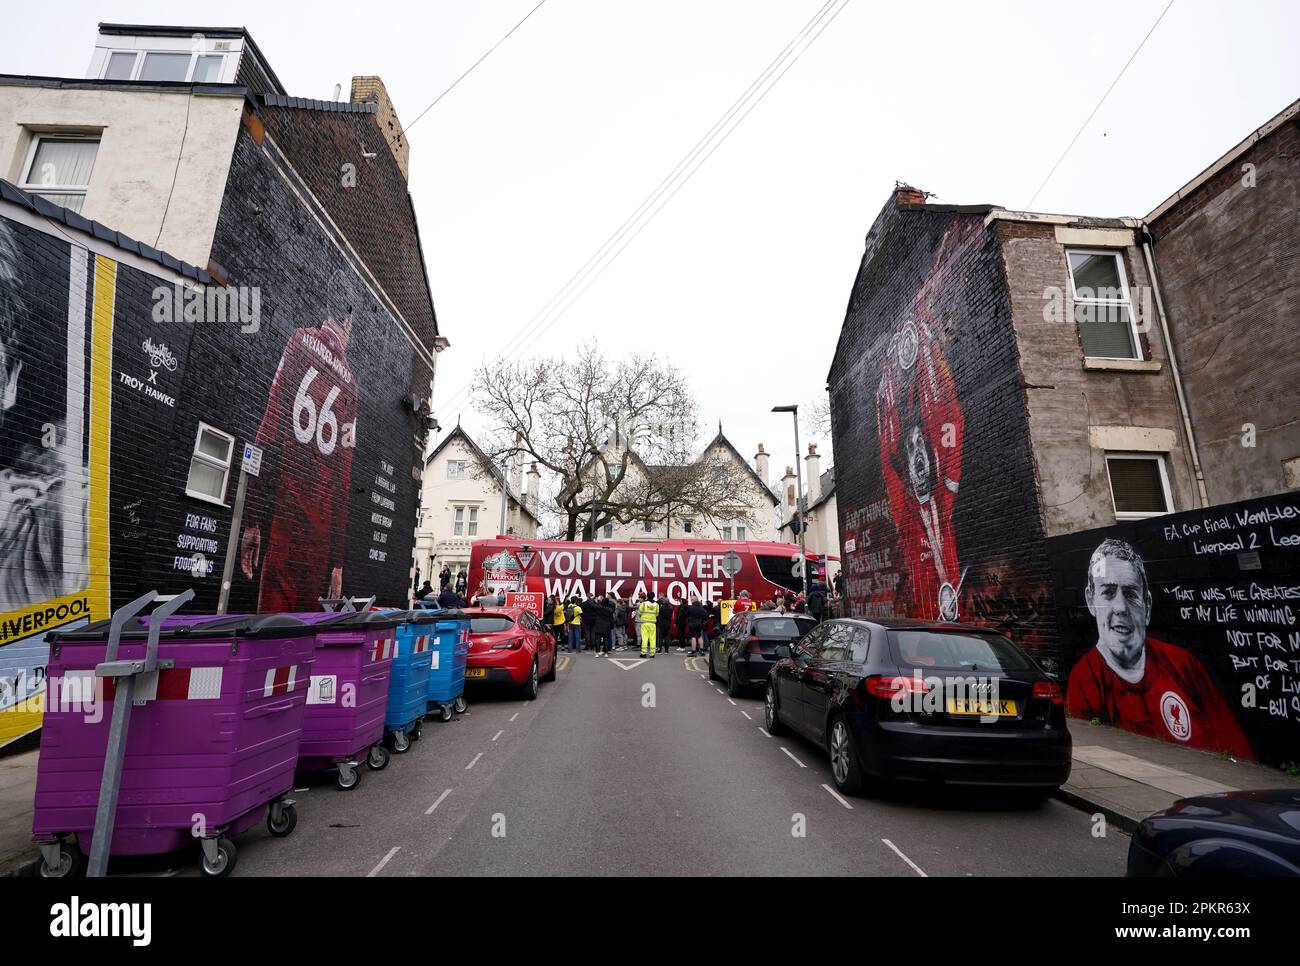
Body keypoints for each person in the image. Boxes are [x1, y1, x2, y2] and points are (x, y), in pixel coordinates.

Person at [1066, 539, 1253, 757]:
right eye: (1108, 592)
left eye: (1130, 594)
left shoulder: (1182, 664)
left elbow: (1237, 746)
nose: (1120, 608)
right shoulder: (1085, 681)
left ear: (1147, 605)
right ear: (1090, 600)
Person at [637, 592, 660, 657]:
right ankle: (652, 653)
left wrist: (643, 617)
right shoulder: (656, 605)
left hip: (645, 623)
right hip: (652, 624)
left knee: (644, 638)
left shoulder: (643, 604)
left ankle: (643, 653)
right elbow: (657, 614)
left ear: (647, 596)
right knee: (652, 638)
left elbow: (639, 612)